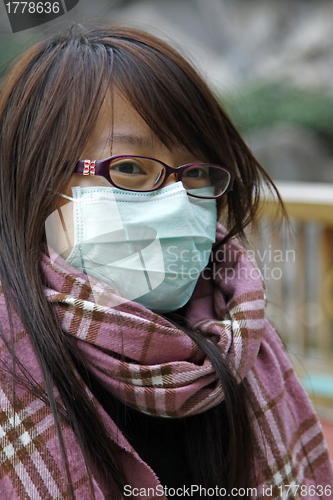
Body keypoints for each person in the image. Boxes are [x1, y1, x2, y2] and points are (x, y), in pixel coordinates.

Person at [0, 24, 332, 500]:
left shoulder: (240, 334)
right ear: (37, 178)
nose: (179, 202)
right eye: (131, 168)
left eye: (197, 173)